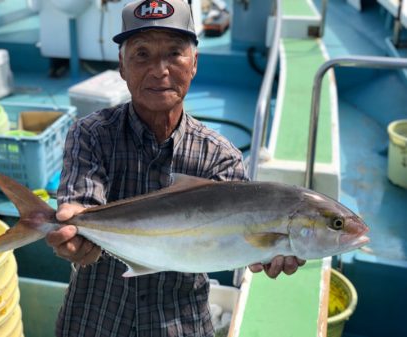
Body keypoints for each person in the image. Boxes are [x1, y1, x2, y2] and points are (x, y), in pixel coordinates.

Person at [46, 1, 305, 336]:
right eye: (141, 54)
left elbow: (241, 238)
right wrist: (75, 232)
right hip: (95, 317)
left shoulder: (220, 155)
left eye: (174, 53)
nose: (159, 69)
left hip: (179, 324)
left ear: (194, 63)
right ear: (122, 67)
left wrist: (269, 252)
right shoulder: (91, 133)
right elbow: (82, 204)